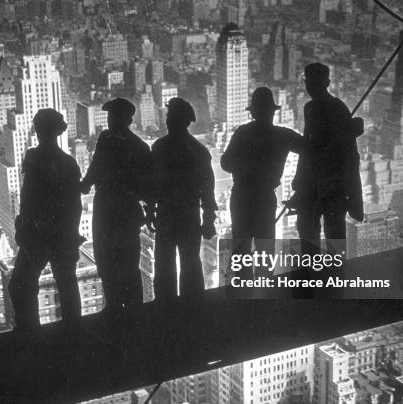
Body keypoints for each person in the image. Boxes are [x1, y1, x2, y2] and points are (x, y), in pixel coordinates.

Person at [9, 109, 83, 332]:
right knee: (65, 283)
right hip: (54, 235)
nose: (38, 132)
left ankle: (30, 330)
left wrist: (26, 228)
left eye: (41, 127)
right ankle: (72, 330)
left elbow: (33, 199)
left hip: (41, 236)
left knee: (23, 284)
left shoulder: (38, 159)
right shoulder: (65, 162)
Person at [221, 87, 304, 278]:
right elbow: (309, 150)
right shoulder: (283, 135)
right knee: (265, 252)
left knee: (242, 251)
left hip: (241, 197)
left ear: (254, 112)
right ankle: (264, 297)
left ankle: (245, 297)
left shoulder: (242, 133)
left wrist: (245, 166)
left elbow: (226, 163)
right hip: (264, 198)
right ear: (273, 112)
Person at [81, 98, 152, 312]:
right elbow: (96, 166)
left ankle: (132, 306)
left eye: (114, 116)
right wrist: (84, 184)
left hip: (122, 210)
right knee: (104, 258)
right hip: (107, 208)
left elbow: (147, 185)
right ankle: (113, 303)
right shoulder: (105, 138)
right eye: (110, 116)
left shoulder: (139, 147)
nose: (110, 120)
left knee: (127, 261)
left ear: (127, 120)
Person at [291, 63, 363, 255]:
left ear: (326, 83)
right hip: (316, 181)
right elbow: (307, 147)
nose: (309, 86)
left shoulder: (337, 108)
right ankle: (313, 274)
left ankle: (333, 276)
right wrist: (299, 183)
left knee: (333, 233)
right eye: (308, 82)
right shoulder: (310, 108)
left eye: (314, 82)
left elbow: (349, 151)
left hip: (333, 183)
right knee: (308, 230)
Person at [151, 98, 217, 300]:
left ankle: (167, 306)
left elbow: (151, 185)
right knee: (188, 262)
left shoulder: (160, 148)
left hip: (168, 215)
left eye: (170, 117)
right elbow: (208, 191)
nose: (167, 121)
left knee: (166, 263)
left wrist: (150, 211)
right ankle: (192, 306)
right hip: (187, 216)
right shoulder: (199, 151)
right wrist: (207, 221)